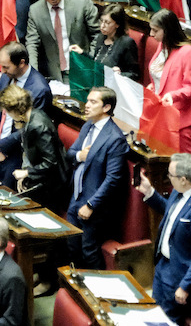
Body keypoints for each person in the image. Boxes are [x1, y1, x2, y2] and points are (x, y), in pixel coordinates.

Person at [138, 153, 191, 321]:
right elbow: (171, 214)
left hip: (179, 275)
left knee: (166, 320)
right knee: (155, 313)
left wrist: (185, 285)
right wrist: (150, 192)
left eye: (170, 175)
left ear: (183, 179)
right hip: (163, 265)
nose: (168, 178)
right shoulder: (180, 190)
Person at [66, 86, 130, 269]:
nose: (87, 105)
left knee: (89, 251)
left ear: (106, 108)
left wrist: (91, 204)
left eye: (93, 102)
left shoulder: (115, 138)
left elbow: (113, 178)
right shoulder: (88, 126)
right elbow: (71, 153)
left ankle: (97, 293)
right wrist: (81, 156)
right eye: (88, 101)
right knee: (72, 246)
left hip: (94, 205)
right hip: (76, 196)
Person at [0, 83, 69, 212]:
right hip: (41, 181)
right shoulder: (31, 118)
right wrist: (26, 174)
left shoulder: (38, 125)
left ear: (15, 110)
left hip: (51, 189)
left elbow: (51, 162)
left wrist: (27, 173)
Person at [0, 41, 52, 185]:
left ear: (21, 63)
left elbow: (30, 128)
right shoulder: (6, 77)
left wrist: (2, 145)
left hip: (18, 153)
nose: (2, 71)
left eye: (6, 67)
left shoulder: (39, 90)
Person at [25, 0, 100, 82]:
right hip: (55, 75)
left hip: (83, 69)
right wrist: (33, 75)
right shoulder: (35, 11)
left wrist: (89, 59)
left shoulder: (81, 3)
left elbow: (98, 35)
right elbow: (32, 44)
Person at [148, 9, 191, 153]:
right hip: (159, 113)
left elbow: (190, 88)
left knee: (182, 163)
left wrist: (172, 95)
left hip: (178, 118)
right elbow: (161, 76)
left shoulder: (188, 52)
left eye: (155, 30)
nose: (151, 34)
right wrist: (153, 86)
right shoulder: (162, 45)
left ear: (167, 30)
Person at [85, 4, 141, 80]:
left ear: (117, 24)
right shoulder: (100, 37)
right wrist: (81, 53)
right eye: (101, 21)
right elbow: (96, 62)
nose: (102, 26)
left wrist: (120, 73)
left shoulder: (127, 43)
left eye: (107, 23)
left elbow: (134, 74)